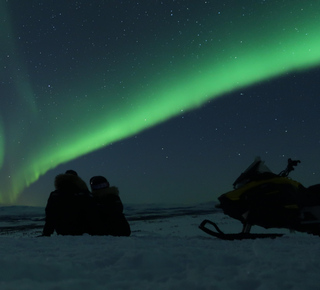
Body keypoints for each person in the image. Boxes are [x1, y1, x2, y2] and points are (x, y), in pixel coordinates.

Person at [42, 170, 93, 236]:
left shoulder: (56, 195)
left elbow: (50, 215)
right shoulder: (84, 193)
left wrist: (47, 233)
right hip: (83, 231)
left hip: (63, 231)